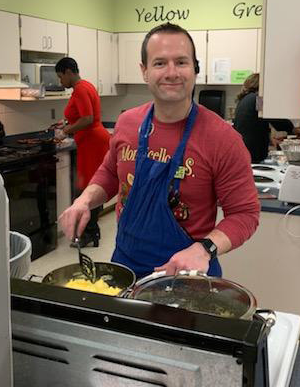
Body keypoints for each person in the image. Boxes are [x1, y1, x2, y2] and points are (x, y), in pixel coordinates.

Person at [59, 23, 259, 279]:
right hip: (125, 268)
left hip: (189, 276)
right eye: (160, 63)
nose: (172, 72)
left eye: (181, 62)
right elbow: (110, 173)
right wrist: (84, 201)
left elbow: (245, 213)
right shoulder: (127, 123)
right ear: (144, 71)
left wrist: (205, 248)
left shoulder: (223, 139)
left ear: (195, 69)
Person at [55, 56, 110, 248]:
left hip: (92, 143)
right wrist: (68, 124)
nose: (60, 81)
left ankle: (88, 233)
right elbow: (83, 116)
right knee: (90, 186)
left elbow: (87, 118)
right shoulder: (86, 86)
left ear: (69, 72)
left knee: (88, 188)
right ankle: (92, 232)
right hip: (93, 141)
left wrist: (65, 131)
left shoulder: (80, 89)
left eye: (61, 76)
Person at [233, 73, 300, 163]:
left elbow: (254, 124)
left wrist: (270, 139)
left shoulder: (244, 100)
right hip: (253, 150)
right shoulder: (258, 99)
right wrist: (293, 129)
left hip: (243, 148)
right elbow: (274, 118)